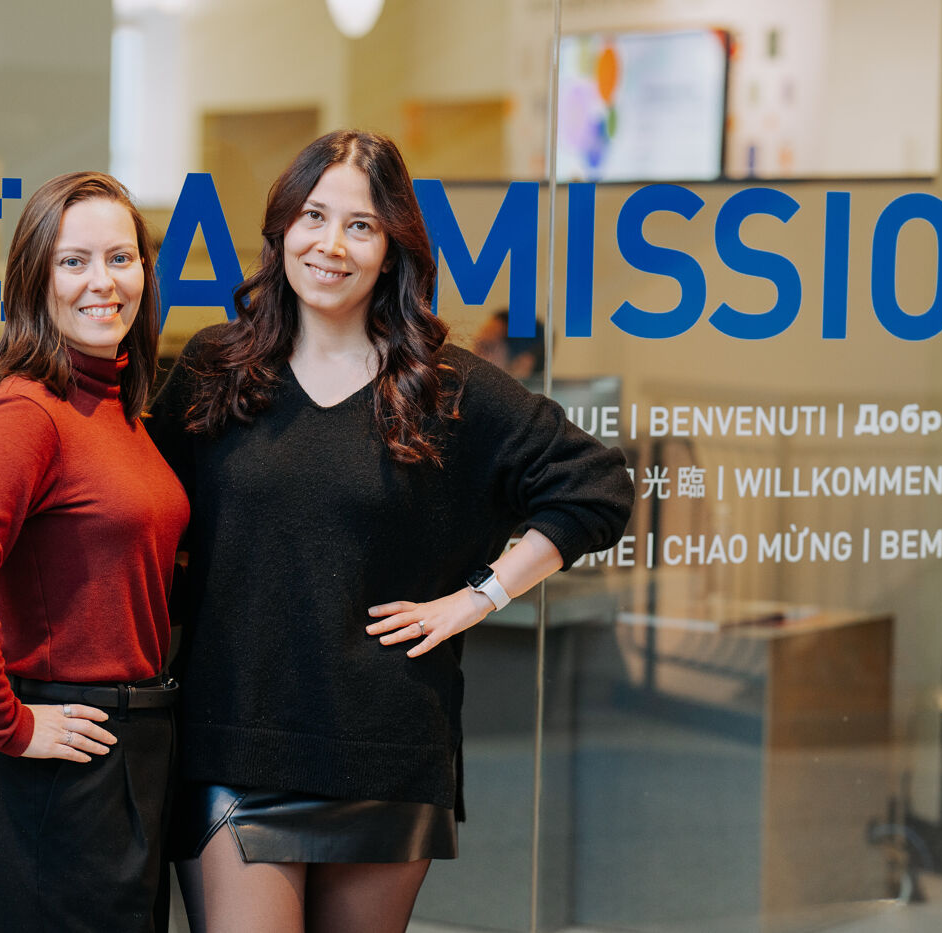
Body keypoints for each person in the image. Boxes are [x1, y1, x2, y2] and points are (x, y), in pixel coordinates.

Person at [148, 130, 634, 933]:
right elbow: (139, 514)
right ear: (282, 230)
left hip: (388, 747)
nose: (331, 245)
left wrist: (479, 596)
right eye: (313, 216)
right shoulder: (216, 370)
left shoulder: (443, 389)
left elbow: (597, 484)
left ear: (392, 248)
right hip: (234, 743)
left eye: (361, 226)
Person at [0, 172, 188, 931]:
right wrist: (7, 720)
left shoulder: (118, 405)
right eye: (74, 262)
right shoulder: (28, 410)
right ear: (35, 281)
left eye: (121, 258)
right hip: (58, 764)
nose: (103, 282)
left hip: (133, 752)